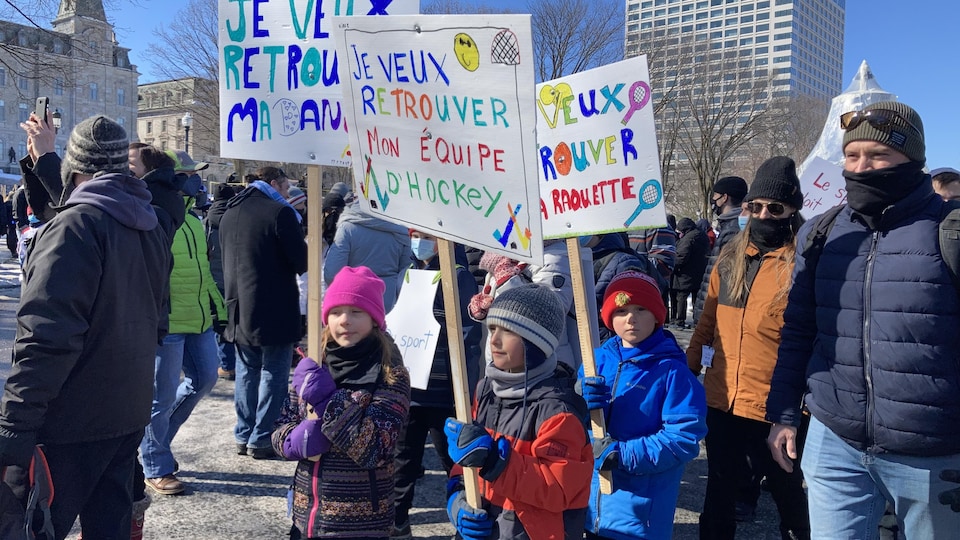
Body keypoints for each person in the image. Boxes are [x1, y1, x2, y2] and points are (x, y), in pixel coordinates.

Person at [766, 101, 960, 537]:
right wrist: (783, 413)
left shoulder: (951, 229)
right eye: (852, 156)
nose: (862, 167)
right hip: (834, 443)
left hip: (934, 452)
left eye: (878, 156)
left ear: (913, 160)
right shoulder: (821, 232)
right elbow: (798, 331)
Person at [0, 115, 170, 538]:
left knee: (30, 528)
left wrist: (14, 426)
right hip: (125, 412)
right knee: (109, 527)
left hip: (69, 422)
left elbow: (45, 337)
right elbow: (158, 323)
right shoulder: (148, 225)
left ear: (74, 169)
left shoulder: (74, 228)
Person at [688, 156, 810, 540]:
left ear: (792, 211)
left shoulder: (801, 265)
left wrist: (800, 404)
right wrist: (686, 372)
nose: (762, 215)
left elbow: (809, 336)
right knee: (719, 493)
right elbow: (707, 324)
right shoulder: (729, 258)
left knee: (788, 490)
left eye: (775, 208)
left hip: (776, 404)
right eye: (754, 207)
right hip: (722, 397)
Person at [443, 283, 593, 540]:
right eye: (492, 328)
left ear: (537, 343)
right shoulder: (485, 389)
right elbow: (467, 462)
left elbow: (558, 488)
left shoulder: (558, 409)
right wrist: (457, 501)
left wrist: (496, 463)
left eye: (509, 331)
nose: (494, 340)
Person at [272, 266, 410, 540]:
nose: (344, 320)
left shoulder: (390, 374)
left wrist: (328, 401)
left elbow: (376, 449)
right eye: (336, 312)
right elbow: (279, 428)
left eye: (356, 311)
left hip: (360, 523)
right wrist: (293, 440)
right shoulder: (314, 366)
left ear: (374, 319)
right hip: (306, 519)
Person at [578, 270, 706, 540]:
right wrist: (577, 402)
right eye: (621, 310)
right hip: (590, 505)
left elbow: (682, 438)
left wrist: (622, 455)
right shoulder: (595, 361)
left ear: (658, 316)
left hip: (639, 513)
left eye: (641, 309)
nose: (631, 318)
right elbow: (568, 425)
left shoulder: (672, 372)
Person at [139, 151, 226, 497]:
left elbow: (202, 272)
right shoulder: (159, 216)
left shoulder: (192, 219)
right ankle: (155, 463)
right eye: (189, 173)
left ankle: (154, 444)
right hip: (170, 319)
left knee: (205, 378)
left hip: (199, 317)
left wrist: (216, 307)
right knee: (159, 398)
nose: (196, 179)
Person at [392, 230, 480, 539]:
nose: (419, 241)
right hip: (412, 392)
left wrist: (465, 389)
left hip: (447, 394)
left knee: (456, 464)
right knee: (403, 461)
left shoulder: (459, 277)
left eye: (425, 235)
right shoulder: (410, 273)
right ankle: (397, 521)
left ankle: (467, 521)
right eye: (414, 235)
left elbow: (470, 337)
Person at [220, 165, 308, 458]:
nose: (287, 194)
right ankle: (263, 435)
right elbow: (301, 261)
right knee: (273, 371)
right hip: (274, 304)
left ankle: (243, 433)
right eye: (285, 187)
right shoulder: (279, 213)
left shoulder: (231, 211)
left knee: (247, 371)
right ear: (274, 183)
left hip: (238, 304)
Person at [324, 196, 411, 312]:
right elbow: (407, 270)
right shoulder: (401, 230)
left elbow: (332, 272)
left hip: (354, 295)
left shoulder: (347, 228)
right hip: (388, 298)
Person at [693, 176, 748, 326]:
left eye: (714, 197)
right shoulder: (728, 226)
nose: (713, 201)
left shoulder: (733, 230)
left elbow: (725, 278)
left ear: (724, 198)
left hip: (717, 314)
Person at [205, 182, 238, 380]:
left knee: (219, 322)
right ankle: (236, 363)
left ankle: (226, 364)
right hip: (235, 277)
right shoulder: (236, 218)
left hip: (214, 279)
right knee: (236, 320)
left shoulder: (206, 221)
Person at [670, 218, 708, 329]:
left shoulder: (688, 239)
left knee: (682, 296)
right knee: (697, 297)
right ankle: (698, 320)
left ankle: (680, 320)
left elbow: (682, 256)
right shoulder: (702, 235)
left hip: (685, 273)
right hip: (700, 271)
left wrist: (673, 265)